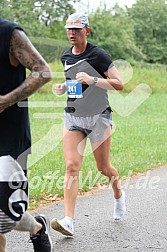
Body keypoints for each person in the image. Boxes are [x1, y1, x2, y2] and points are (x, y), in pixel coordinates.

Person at [51, 12, 126, 237]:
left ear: (87, 30)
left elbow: (119, 84)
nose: (71, 33)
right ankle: (69, 221)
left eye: (76, 29)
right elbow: (75, 82)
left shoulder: (98, 55)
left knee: (103, 168)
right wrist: (65, 87)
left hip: (98, 117)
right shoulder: (66, 56)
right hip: (73, 116)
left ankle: (119, 195)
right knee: (71, 166)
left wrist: (93, 80)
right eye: (69, 29)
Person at [0, 18, 52, 251]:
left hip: (8, 137)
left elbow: (43, 71)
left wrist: (6, 100)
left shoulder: (9, 34)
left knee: (5, 216)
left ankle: (37, 228)